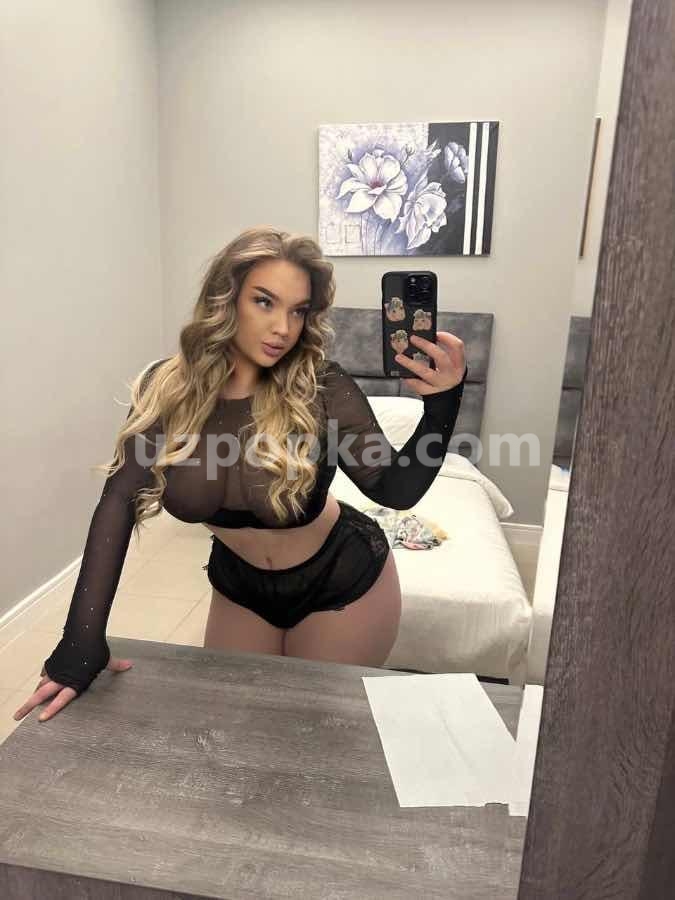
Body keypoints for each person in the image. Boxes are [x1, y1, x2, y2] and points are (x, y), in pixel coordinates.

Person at [14, 225, 467, 725]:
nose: (283, 328)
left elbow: (394, 490)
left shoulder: (322, 387)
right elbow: (119, 500)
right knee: (231, 727)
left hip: (340, 580)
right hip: (240, 586)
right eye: (265, 302)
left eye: (298, 310)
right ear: (225, 298)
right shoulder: (165, 390)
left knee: (313, 735)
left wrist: (442, 405)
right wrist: (81, 641)